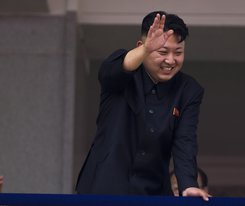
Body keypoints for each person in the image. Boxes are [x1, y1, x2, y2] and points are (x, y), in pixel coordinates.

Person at [76, 11, 210, 201]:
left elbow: (185, 141)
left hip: (153, 191)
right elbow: (110, 72)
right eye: (162, 52)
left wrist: (188, 185)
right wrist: (147, 49)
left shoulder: (189, 90)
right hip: (103, 187)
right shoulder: (120, 72)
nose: (171, 60)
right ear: (141, 47)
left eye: (178, 53)